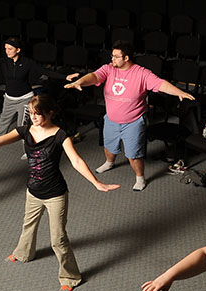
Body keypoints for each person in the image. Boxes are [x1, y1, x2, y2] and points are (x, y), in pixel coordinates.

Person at [0, 94, 120, 291]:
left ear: (50, 113)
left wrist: (96, 183)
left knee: (58, 239)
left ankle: (70, 277)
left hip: (55, 194)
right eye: (31, 114)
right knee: (28, 224)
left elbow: (76, 161)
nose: (33, 117)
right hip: (33, 190)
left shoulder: (60, 135)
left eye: (37, 114)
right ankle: (24, 253)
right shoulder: (25, 130)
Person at [65, 40, 195, 191]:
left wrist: (179, 92)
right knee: (108, 147)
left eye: (115, 56)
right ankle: (109, 162)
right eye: (112, 56)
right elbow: (94, 76)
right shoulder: (108, 69)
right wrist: (79, 82)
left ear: (126, 58)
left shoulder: (141, 73)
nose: (111, 59)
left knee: (133, 155)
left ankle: (140, 178)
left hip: (133, 122)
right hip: (111, 120)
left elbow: (161, 84)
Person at [0, 37, 78, 146]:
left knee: (23, 125)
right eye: (6, 48)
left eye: (10, 49)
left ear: (18, 50)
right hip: (9, 98)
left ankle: (28, 146)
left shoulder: (27, 63)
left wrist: (65, 77)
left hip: (25, 99)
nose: (7, 51)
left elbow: (45, 71)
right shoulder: (3, 61)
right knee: (3, 121)